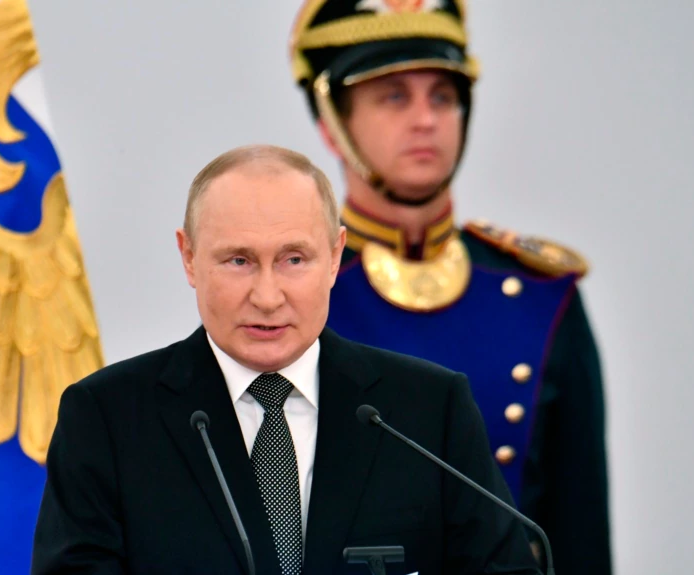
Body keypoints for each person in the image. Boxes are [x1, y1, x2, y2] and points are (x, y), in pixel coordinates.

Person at [31, 144, 541, 575]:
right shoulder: (107, 418)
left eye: (294, 259)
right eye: (239, 261)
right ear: (188, 257)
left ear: (335, 256)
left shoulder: (429, 411)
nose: (268, 297)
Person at [287, 1, 611, 572]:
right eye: (393, 96)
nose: (426, 119)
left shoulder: (541, 295)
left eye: (442, 96)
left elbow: (579, 535)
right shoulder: (291, 295)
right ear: (331, 122)